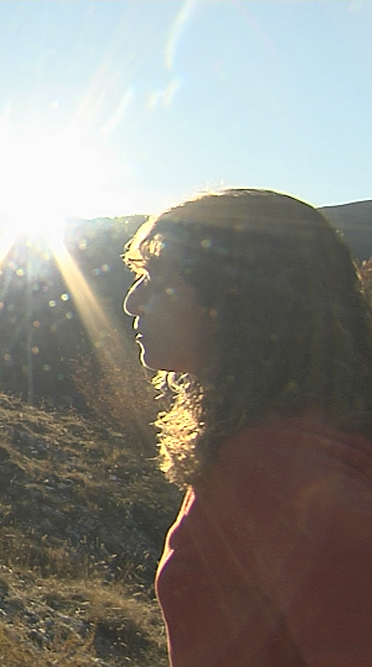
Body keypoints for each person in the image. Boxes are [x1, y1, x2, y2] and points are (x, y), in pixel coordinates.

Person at [121, 188, 372, 666]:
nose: (134, 302)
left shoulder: (273, 467)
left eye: (157, 279)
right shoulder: (302, 432)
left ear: (235, 299)